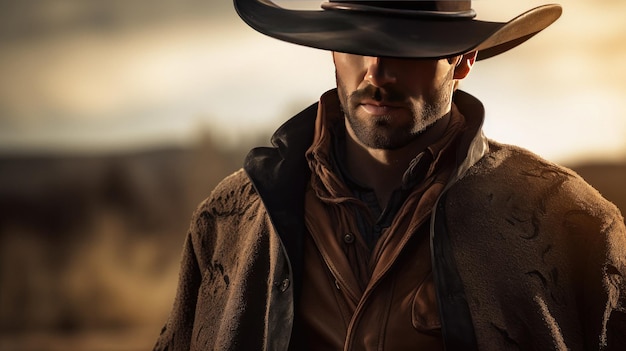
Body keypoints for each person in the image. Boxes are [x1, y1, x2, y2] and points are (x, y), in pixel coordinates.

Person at [154, 0, 626, 350]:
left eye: (406, 46)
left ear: (464, 59)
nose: (376, 72)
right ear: (332, 51)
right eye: (357, 43)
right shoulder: (228, 221)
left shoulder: (573, 224)